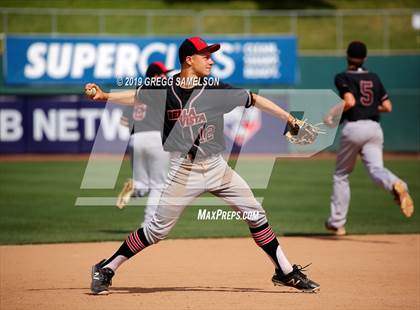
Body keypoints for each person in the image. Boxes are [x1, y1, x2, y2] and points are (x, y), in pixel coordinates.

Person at [85, 36, 320, 295]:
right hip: (183, 170)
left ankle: (285, 272)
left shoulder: (216, 89)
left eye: (211, 55)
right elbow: (137, 96)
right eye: (205, 55)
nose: (211, 60)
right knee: (156, 231)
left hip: (218, 167)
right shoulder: (164, 88)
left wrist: (289, 118)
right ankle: (106, 268)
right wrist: (104, 95)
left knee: (255, 214)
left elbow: (254, 99)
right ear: (189, 60)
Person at [324, 41, 414, 236]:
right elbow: (387, 106)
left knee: (341, 174)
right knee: (376, 169)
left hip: (355, 127)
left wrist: (331, 113)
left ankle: (337, 223)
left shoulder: (342, 76)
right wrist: (370, 107)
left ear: (347, 56)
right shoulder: (373, 77)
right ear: (365, 58)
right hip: (374, 128)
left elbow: (350, 101)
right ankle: (396, 184)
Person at [116, 62, 172, 227]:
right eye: (163, 74)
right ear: (155, 76)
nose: (165, 77)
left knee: (142, 184)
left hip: (136, 139)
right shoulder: (163, 90)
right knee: (159, 185)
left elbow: (124, 121)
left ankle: (134, 188)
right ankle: (148, 224)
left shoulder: (138, 91)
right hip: (156, 138)